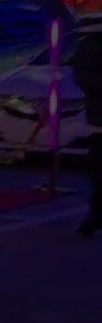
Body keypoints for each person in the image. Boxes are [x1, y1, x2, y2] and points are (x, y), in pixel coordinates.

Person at [72, 23, 102, 237]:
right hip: (100, 120)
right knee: (99, 170)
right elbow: (84, 78)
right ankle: (96, 215)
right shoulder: (90, 45)